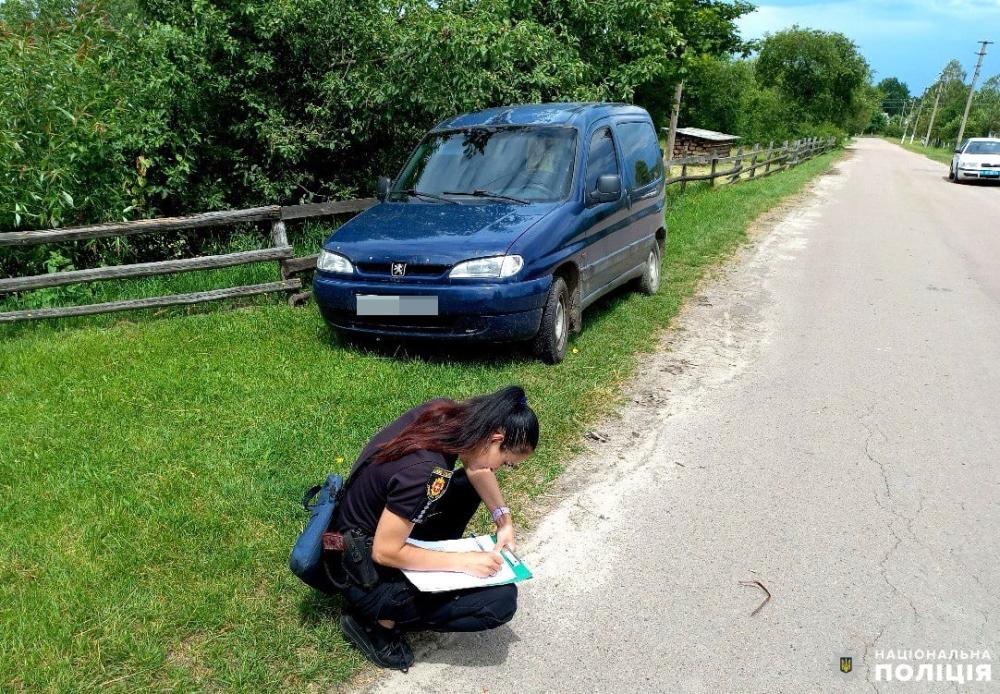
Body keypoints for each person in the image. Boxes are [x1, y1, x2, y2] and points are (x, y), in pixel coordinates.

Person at [330, 385, 538, 671]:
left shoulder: (446, 414)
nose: (501, 469)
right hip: (357, 569)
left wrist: (504, 520)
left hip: (355, 534)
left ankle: (391, 602)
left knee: (466, 485)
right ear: (495, 438)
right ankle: (376, 623)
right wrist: (463, 562)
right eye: (506, 462)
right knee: (500, 602)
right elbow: (385, 551)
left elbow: (478, 468)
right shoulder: (426, 472)